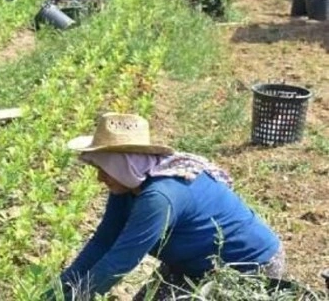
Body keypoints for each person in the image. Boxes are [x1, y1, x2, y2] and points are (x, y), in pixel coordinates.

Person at [46, 113, 284, 301]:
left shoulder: (159, 196)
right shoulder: (129, 185)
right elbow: (103, 241)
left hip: (248, 269)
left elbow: (120, 260)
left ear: (123, 164)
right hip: (193, 267)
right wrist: (56, 292)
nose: (100, 178)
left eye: (103, 168)